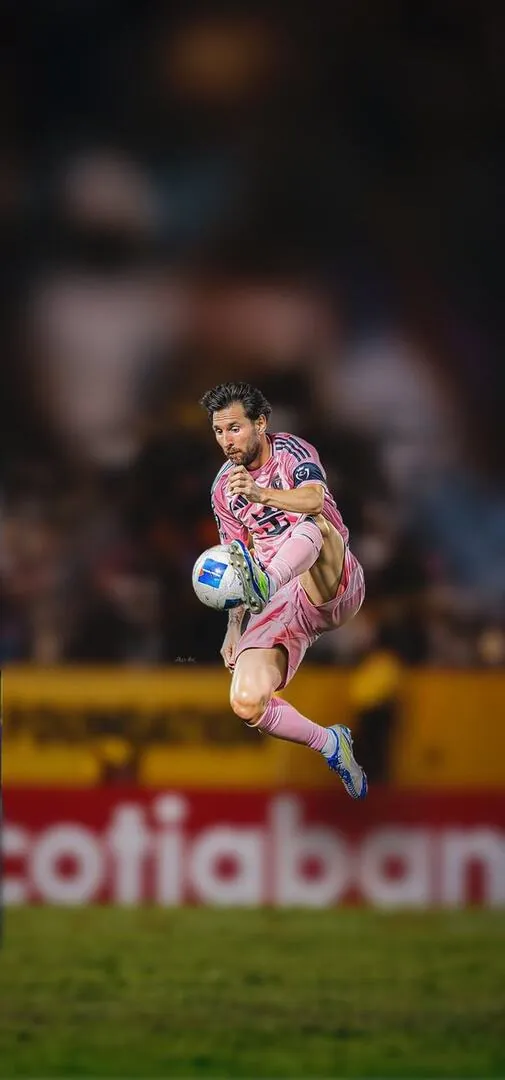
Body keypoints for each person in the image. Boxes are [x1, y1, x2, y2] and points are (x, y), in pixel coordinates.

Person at [199, 381, 367, 798]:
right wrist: (233, 628)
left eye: (234, 428)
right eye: (219, 431)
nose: (226, 440)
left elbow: (314, 500)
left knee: (316, 526)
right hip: (277, 599)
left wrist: (260, 493)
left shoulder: (292, 452)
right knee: (245, 701)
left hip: (329, 580)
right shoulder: (223, 490)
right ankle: (331, 743)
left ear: (260, 423)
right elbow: (237, 558)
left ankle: (269, 580)